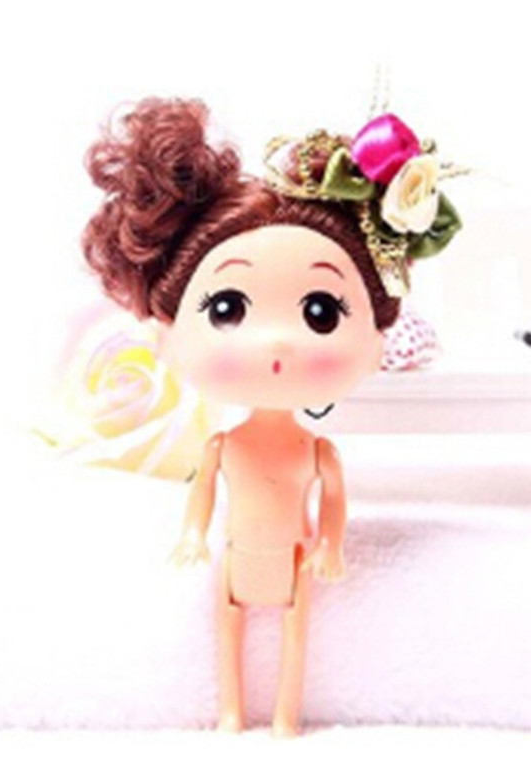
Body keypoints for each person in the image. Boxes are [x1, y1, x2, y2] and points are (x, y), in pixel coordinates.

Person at [81, 96, 460, 736]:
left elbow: (332, 502)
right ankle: (231, 712)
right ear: (168, 336)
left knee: (294, 634)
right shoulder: (223, 449)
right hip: (235, 555)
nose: (278, 342)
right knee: (226, 627)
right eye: (227, 308)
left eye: (321, 312)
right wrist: (192, 535)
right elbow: (203, 497)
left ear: (377, 340)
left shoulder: (318, 453)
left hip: (296, 561)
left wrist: (331, 543)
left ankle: (286, 716)